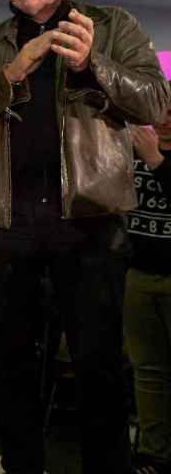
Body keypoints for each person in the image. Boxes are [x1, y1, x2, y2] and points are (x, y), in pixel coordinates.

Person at [0, 0, 171, 474]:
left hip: (90, 220)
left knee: (98, 368)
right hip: (5, 222)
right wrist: (11, 73)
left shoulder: (112, 27)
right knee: (11, 367)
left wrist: (95, 64)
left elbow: (156, 100)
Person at [125, 113, 171, 474]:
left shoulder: (149, 152)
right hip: (137, 275)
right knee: (148, 372)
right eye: (162, 110)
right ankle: (155, 453)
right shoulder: (135, 149)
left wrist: (157, 161)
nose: (166, 118)